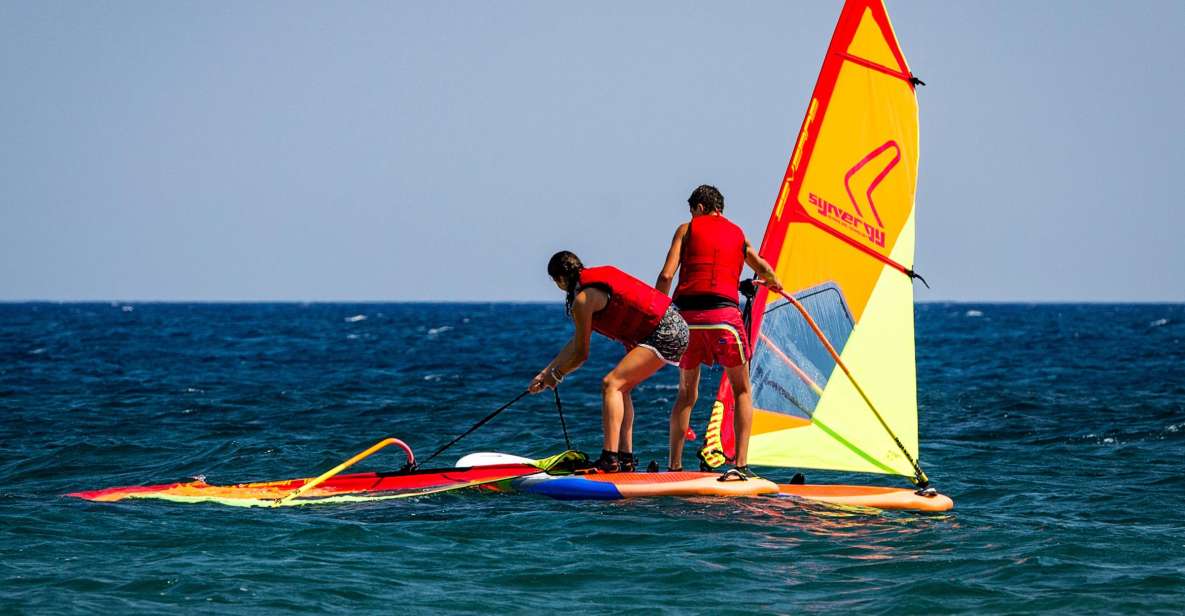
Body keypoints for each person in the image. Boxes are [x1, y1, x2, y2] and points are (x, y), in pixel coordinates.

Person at [655, 185, 782, 478]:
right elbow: (762, 268)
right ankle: (740, 466)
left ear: (699, 207)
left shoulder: (686, 229)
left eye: (692, 211)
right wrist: (774, 282)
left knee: (686, 393)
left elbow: (666, 275)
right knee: (742, 390)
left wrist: (658, 313)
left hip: (687, 320)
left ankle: (674, 466)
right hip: (724, 319)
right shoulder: (737, 234)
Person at [529, 251, 689, 472]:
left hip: (665, 331)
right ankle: (625, 458)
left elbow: (581, 354)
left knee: (611, 384)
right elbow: (575, 343)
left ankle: (609, 459)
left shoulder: (583, 299)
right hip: (674, 326)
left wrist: (556, 376)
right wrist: (546, 372)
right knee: (621, 388)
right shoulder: (590, 291)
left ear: (560, 279)